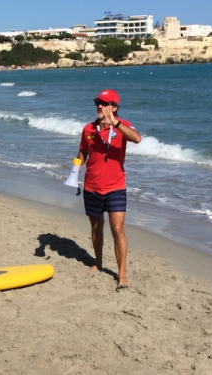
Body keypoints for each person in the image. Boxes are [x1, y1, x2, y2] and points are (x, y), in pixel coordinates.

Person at [75, 89, 142, 290]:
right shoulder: (88, 129)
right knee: (96, 227)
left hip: (115, 187)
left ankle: (122, 274)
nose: (99, 107)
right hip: (92, 186)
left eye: (104, 104)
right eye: (98, 103)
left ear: (114, 107)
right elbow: (82, 151)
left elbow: (137, 139)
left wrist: (116, 124)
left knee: (118, 228)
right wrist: (74, 170)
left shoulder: (123, 127)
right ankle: (98, 262)